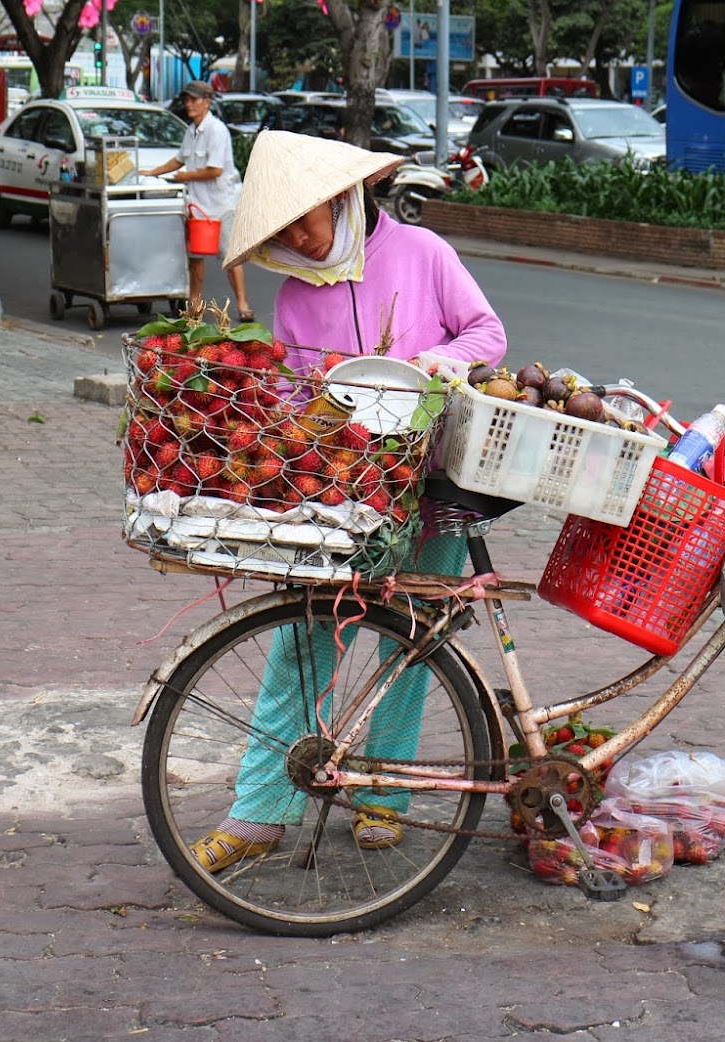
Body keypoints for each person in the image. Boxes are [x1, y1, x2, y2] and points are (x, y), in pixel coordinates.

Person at [189, 130, 508, 873]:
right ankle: (260, 812)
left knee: (415, 642)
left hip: (433, 486)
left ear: (345, 199)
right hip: (340, 498)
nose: (300, 236)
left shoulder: (425, 253)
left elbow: (487, 334)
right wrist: (296, 429)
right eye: (286, 227)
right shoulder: (297, 296)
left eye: (309, 217)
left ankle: (383, 796)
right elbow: (294, 399)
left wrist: (432, 362)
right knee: (305, 638)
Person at [138, 80, 253, 321]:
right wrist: (151, 172)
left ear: (207, 102)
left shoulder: (216, 130)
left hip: (222, 204)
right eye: (187, 100)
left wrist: (183, 176)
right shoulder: (191, 131)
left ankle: (243, 304)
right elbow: (179, 159)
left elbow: (215, 170)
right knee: (196, 258)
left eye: (194, 100)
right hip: (199, 206)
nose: (189, 104)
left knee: (229, 257)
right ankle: (194, 306)